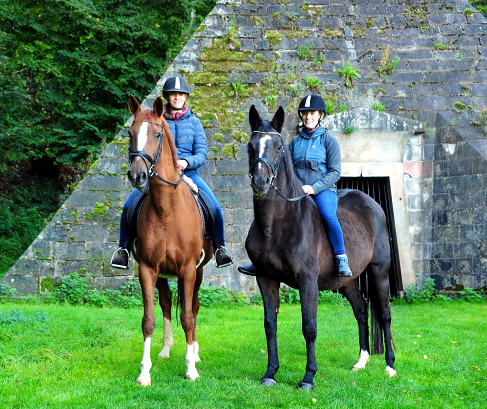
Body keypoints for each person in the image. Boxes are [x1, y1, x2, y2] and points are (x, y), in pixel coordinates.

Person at [111, 75, 233, 269]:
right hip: (158, 177)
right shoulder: (155, 120)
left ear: (185, 97)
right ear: (167, 97)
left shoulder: (194, 122)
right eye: (173, 94)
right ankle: (123, 250)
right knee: (128, 206)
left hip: (189, 175)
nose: (177, 97)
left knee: (215, 208)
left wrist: (187, 161)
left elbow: (202, 153)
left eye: (181, 94)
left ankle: (220, 249)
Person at [238, 94, 352, 278]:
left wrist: (314, 188)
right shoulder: (294, 143)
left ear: (321, 115)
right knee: (270, 215)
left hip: (321, 190)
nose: (308, 117)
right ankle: (260, 260)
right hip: (297, 191)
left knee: (327, 215)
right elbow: (285, 170)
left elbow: (335, 173)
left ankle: (341, 257)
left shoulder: (329, 141)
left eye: (312, 113)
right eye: (305, 113)